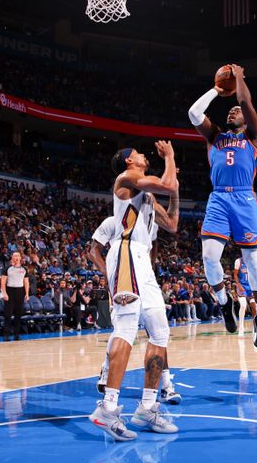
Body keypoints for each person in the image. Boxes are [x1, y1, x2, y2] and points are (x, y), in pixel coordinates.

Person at [88, 142, 180, 441]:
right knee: (126, 329)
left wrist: (174, 186)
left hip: (143, 262)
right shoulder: (126, 179)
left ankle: (147, 407)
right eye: (139, 153)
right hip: (126, 253)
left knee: (160, 331)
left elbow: (173, 224)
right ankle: (108, 408)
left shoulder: (147, 194)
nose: (144, 155)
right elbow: (166, 183)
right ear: (129, 159)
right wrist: (169, 159)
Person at [188, 64, 257, 348]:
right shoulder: (215, 137)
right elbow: (193, 114)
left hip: (245, 199)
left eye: (235, 112)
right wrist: (216, 89)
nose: (232, 113)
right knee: (209, 257)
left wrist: (241, 79)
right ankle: (225, 303)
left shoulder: (254, 135)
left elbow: (245, 102)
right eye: (229, 111)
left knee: (253, 261)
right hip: (219, 198)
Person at [88, 207, 181, 407]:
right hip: (122, 276)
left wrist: (150, 269)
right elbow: (93, 250)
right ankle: (107, 376)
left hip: (144, 275)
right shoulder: (112, 222)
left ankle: (165, 385)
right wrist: (109, 274)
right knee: (123, 329)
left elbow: (156, 242)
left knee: (157, 330)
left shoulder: (148, 220)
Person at [0, 252, 29, 342]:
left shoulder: (24, 269)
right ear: (12, 257)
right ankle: (7, 335)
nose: (16, 257)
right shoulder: (7, 268)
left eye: (17, 256)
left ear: (20, 257)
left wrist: (27, 294)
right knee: (8, 314)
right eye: (14, 256)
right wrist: (4, 293)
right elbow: (3, 282)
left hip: (20, 291)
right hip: (10, 291)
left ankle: (17, 334)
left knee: (18, 314)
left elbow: (26, 282)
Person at [234, 254, 256, 334]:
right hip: (242, 286)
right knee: (243, 305)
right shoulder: (238, 261)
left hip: (251, 286)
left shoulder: (252, 261)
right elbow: (235, 275)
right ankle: (241, 326)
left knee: (254, 306)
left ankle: (255, 326)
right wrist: (238, 285)